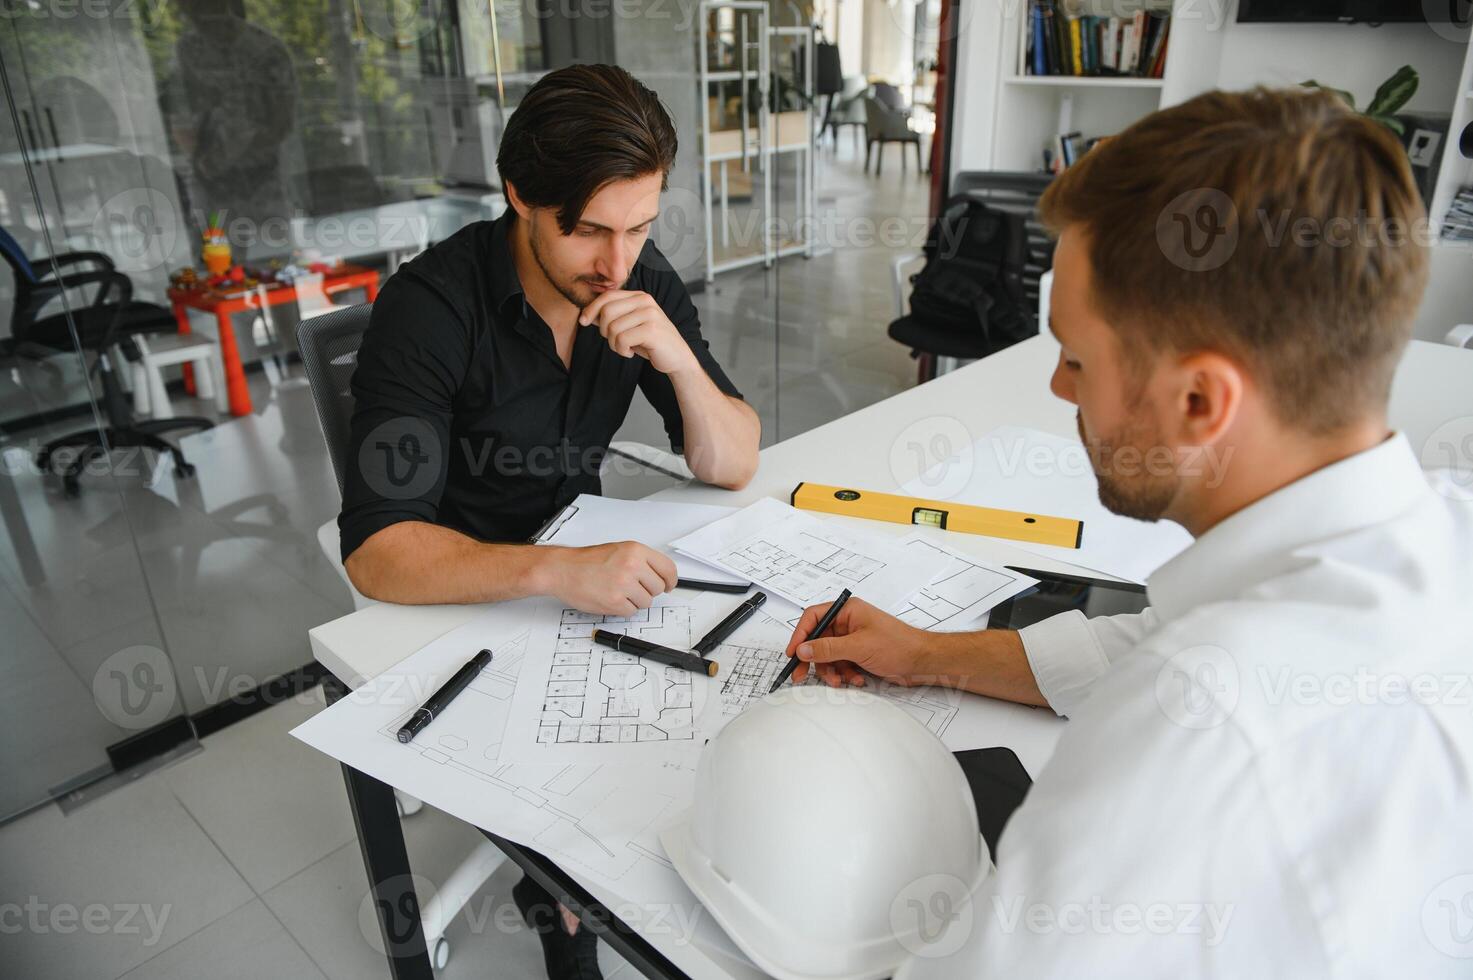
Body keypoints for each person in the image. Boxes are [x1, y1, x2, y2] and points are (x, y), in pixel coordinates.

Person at [783, 87, 1472, 975]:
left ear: (1198, 401)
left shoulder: (1190, 740)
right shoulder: (1441, 519)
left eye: (1074, 357)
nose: (1058, 392)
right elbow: (1143, 644)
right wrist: (921, 653)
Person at [339, 65, 759, 980]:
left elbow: (733, 460)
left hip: (579, 565)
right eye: (590, 231)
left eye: (640, 227)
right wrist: (550, 572)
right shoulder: (430, 310)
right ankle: (560, 903)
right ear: (520, 195)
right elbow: (377, 553)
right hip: (458, 592)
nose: (618, 262)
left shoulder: (633, 280)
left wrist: (681, 362)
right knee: (596, 805)